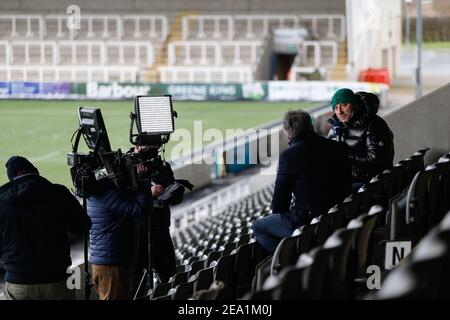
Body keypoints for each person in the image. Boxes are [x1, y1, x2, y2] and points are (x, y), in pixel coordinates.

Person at [251, 110, 352, 254]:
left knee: (258, 226)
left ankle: (288, 260)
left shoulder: (288, 156)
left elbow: (280, 202)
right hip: (339, 214)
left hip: (308, 221)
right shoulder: (337, 147)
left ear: (288, 133)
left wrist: (280, 219)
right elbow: (347, 182)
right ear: (311, 126)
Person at [0, 156, 91, 300]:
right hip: (57, 280)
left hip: (18, 281)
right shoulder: (59, 193)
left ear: (12, 177)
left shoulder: (2, 200)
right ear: (35, 171)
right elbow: (83, 226)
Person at [87, 152, 152, 300]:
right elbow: (140, 211)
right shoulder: (105, 192)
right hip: (111, 265)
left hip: (110, 261)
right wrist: (143, 181)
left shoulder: (99, 190)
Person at [130, 145, 191, 296]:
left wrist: (176, 191)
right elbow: (124, 200)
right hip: (138, 236)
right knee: (136, 286)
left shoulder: (162, 166)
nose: (154, 147)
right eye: (149, 144)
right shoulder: (128, 167)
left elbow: (174, 198)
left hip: (161, 232)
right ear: (138, 145)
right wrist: (147, 192)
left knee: (171, 280)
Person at [327, 88, 394, 191]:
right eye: (336, 108)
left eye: (344, 105)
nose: (339, 112)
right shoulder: (335, 128)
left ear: (355, 105)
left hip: (370, 182)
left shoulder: (374, 124)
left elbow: (375, 158)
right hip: (345, 178)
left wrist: (343, 153)